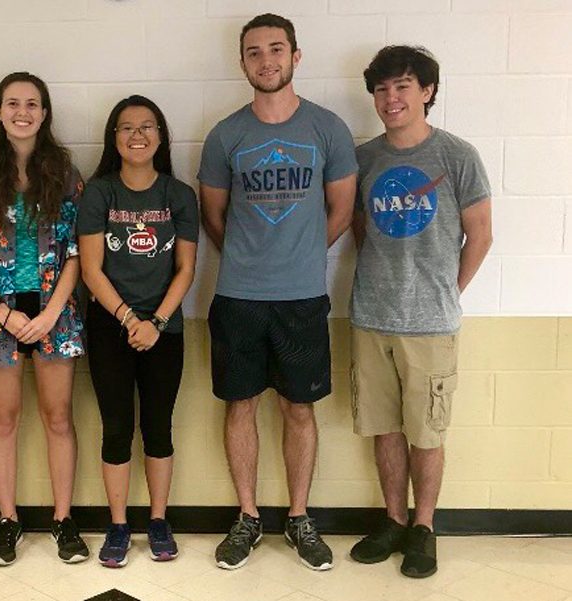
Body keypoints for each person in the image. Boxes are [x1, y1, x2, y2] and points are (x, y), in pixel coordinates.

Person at [198, 13, 358, 571]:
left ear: (296, 55)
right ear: (242, 62)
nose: (266, 60)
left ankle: (297, 518)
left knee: (299, 408)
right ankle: (246, 518)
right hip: (238, 296)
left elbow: (340, 210)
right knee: (240, 405)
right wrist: (251, 257)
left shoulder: (328, 130)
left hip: (302, 299)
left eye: (276, 49)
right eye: (254, 52)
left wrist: (304, 254)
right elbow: (213, 217)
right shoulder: (225, 135)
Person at [348, 45, 492, 578]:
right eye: (382, 89)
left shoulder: (457, 156)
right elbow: (360, 228)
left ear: (427, 91)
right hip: (370, 317)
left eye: (403, 86)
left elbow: (480, 235)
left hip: (430, 323)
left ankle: (424, 528)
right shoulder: (364, 159)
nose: (391, 99)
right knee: (384, 429)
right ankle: (391, 520)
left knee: (426, 433)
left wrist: (447, 291)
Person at [0, 71, 89, 567]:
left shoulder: (67, 176)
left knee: (58, 418)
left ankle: (63, 519)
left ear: (45, 113)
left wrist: (52, 311)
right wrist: (1, 310)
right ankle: (7, 521)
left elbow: (78, 252)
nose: (22, 112)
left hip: (57, 313)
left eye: (32, 104)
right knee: (4, 421)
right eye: (12, 103)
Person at [79, 95, 199, 567]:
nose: (137, 135)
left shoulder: (179, 194)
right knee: (116, 428)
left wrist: (157, 323)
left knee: (158, 428)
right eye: (127, 128)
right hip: (111, 328)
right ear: (114, 138)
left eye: (147, 126)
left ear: (161, 136)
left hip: (164, 329)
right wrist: (130, 319)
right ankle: (118, 525)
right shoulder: (99, 192)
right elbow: (91, 269)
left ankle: (157, 520)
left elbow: (186, 269)